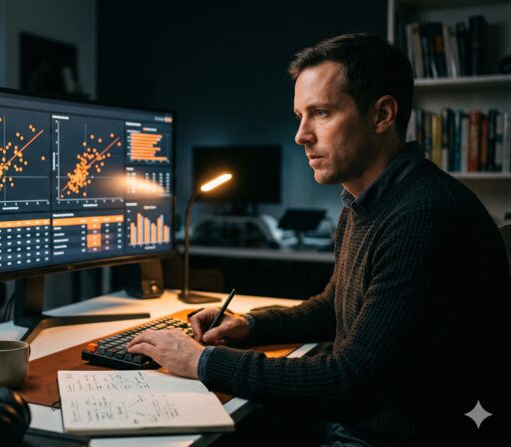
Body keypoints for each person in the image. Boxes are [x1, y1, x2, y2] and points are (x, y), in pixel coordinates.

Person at [127, 33, 510, 446]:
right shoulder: (366, 201)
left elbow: (350, 383)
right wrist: (249, 325)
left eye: (321, 113)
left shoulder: (425, 216)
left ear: (382, 115)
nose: (301, 135)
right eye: (299, 115)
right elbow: (336, 306)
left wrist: (201, 361)